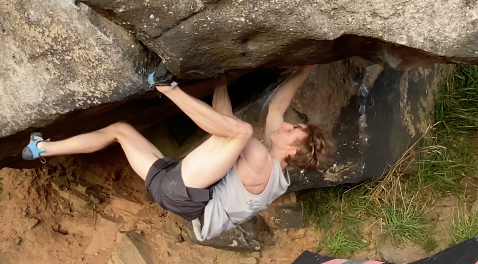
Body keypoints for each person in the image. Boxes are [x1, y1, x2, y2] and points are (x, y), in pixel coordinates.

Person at [22, 66, 335, 241]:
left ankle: (167, 88)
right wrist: (306, 68)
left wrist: (203, 89)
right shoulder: (276, 170)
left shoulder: (261, 163)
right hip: (176, 188)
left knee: (241, 131)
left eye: (294, 130)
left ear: (292, 149)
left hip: (184, 191)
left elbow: (232, 129)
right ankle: (41, 148)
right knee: (120, 130)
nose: (288, 125)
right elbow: (276, 106)